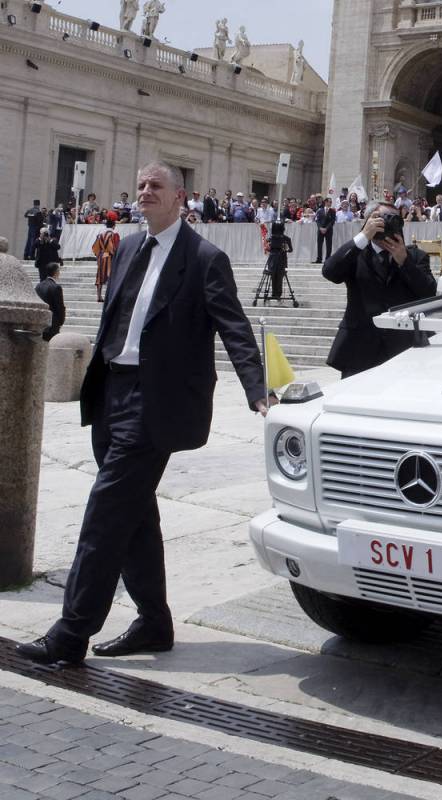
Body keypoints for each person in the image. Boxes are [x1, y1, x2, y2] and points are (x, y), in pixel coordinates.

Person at [15, 161, 270, 667]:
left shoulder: (204, 258)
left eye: (156, 186)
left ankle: (71, 633)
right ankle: (154, 622)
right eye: (140, 186)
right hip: (111, 392)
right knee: (134, 514)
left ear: (181, 198)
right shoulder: (128, 246)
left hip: (156, 403)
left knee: (105, 514)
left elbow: (234, 327)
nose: (144, 192)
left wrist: (258, 389)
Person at [323, 201, 438, 378]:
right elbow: (330, 272)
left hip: (404, 348)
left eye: (395, 219)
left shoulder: (415, 256)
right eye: (383, 219)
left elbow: (429, 293)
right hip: (360, 349)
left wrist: (404, 262)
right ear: (369, 221)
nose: (388, 224)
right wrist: (363, 236)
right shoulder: (356, 254)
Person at [91, 219, 121, 302]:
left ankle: (99, 296)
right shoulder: (114, 234)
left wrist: (99, 255)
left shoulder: (100, 234)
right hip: (110, 257)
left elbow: (95, 248)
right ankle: (110, 297)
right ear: (114, 226)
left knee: (100, 277)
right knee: (111, 277)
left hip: (101, 257)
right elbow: (116, 247)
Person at [35, 262, 66, 341]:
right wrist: (61, 321)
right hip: (52, 324)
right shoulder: (56, 287)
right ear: (56, 272)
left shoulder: (39, 286)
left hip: (40, 322)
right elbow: (59, 307)